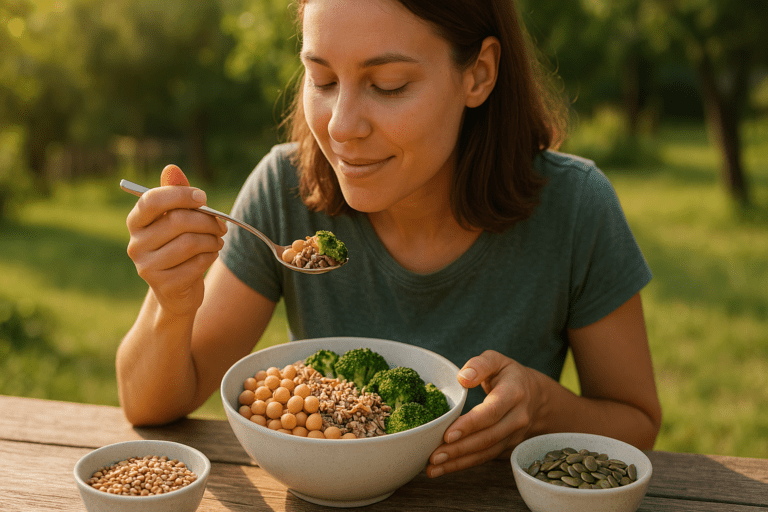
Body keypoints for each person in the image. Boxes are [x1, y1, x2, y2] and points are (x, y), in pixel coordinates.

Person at [117, 0, 662, 479]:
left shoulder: (574, 208)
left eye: (388, 86)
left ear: (478, 73)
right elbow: (150, 406)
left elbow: (636, 423)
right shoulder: (287, 191)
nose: (341, 126)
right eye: (323, 80)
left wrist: (546, 409)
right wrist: (172, 304)